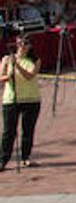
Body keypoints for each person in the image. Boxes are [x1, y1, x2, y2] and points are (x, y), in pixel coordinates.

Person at [1, 36, 42, 169]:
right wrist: (8, 76)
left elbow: (29, 76)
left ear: (30, 46)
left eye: (26, 44)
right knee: (9, 131)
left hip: (31, 99)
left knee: (28, 130)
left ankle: (26, 157)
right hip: (11, 99)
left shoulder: (35, 60)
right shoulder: (7, 59)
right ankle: (3, 159)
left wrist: (17, 65)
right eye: (20, 43)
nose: (22, 46)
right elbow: (1, 77)